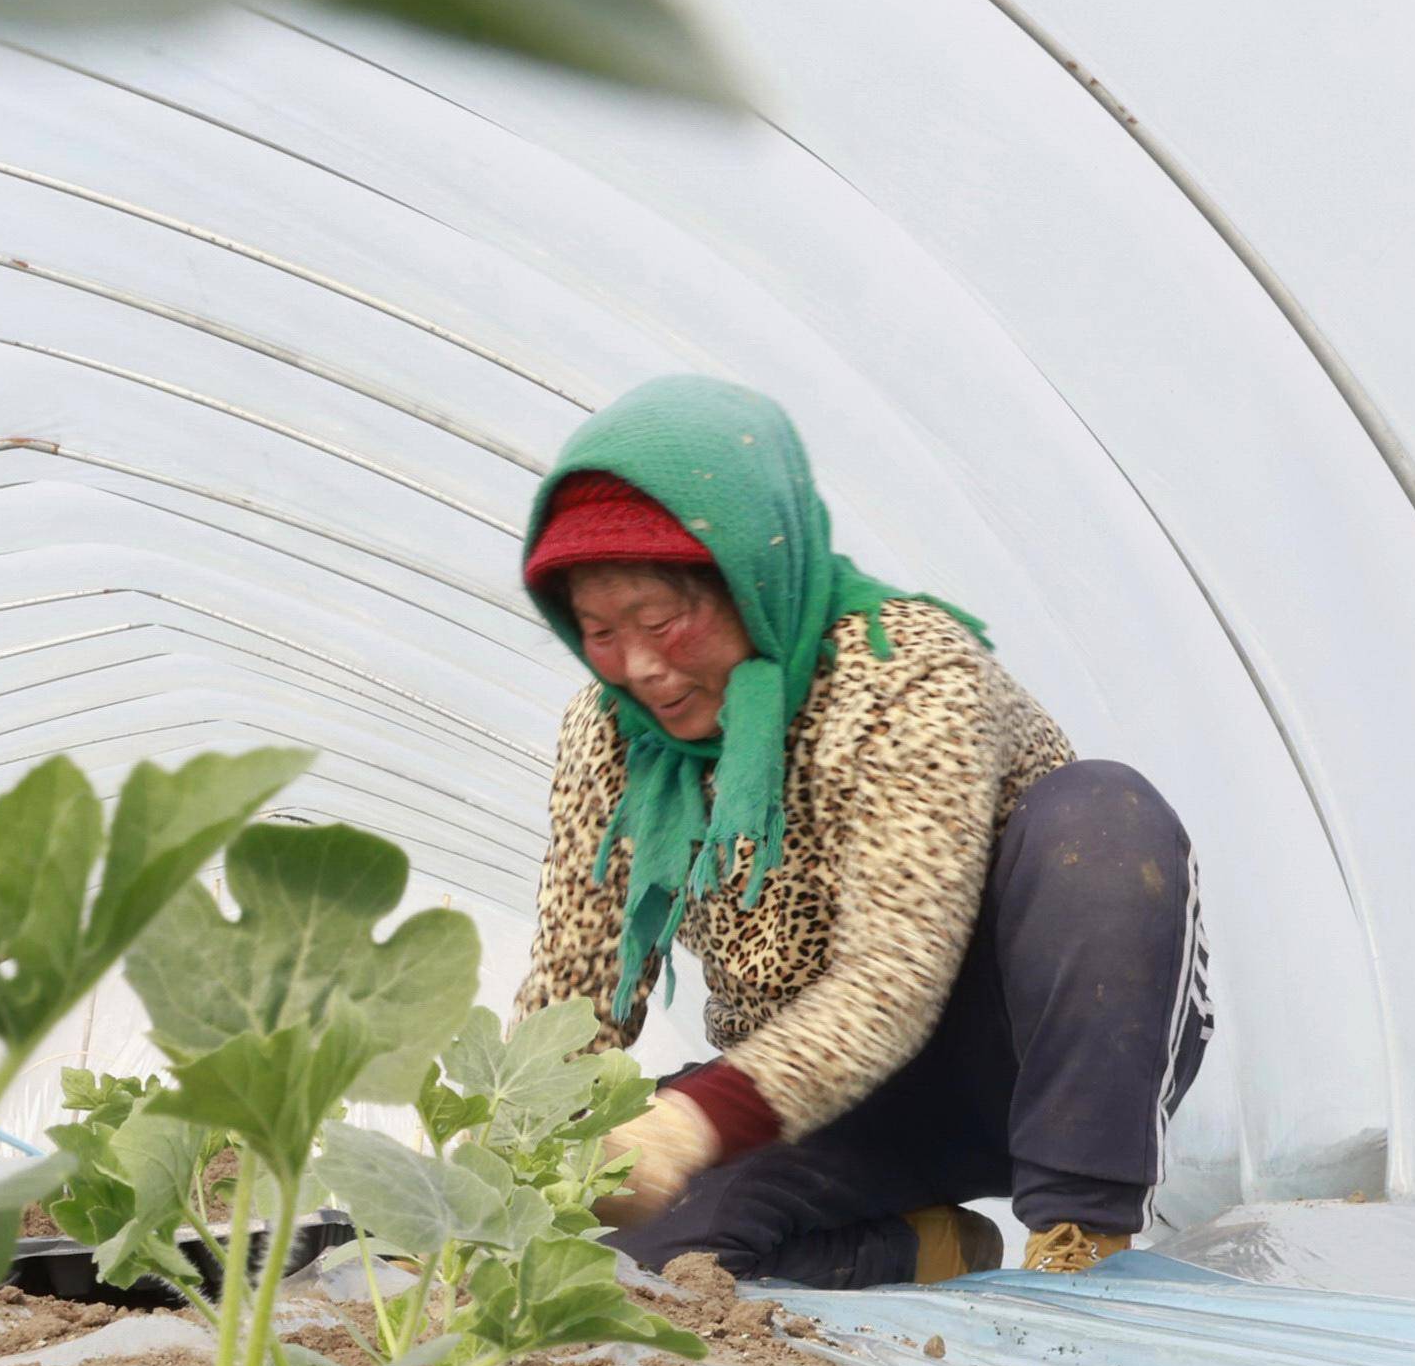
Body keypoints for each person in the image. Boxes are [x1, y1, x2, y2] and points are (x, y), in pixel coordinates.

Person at [511, 374, 1210, 1287]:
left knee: (1099, 814)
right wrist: (518, 1154)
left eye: (662, 618)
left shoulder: (906, 673)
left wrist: (691, 1123)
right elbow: (581, 973)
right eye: (599, 631)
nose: (640, 665)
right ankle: (926, 1245)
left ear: (749, 577)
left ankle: (1082, 1234)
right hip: (819, 1091)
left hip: (1018, 1054)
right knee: (628, 1252)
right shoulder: (608, 732)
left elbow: (897, 975)